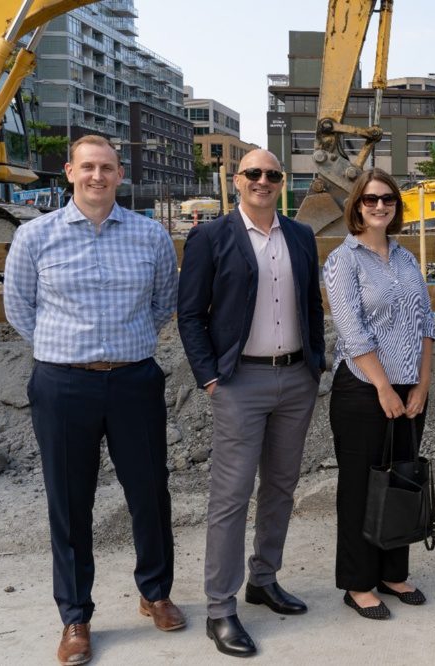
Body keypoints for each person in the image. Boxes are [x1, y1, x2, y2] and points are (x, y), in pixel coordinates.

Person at [4, 135, 184, 666]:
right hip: (63, 385)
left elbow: (162, 303)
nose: (97, 176)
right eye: (87, 167)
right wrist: (66, 349)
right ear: (69, 172)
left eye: (106, 167)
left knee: (150, 492)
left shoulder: (150, 236)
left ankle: (155, 592)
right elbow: (19, 308)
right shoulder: (36, 237)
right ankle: (75, 616)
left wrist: (124, 347)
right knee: (69, 499)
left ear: (119, 174)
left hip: (133, 380)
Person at [177, 149, 325, 656]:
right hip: (239, 382)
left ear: (282, 183)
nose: (263, 181)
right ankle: (220, 607)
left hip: (294, 380)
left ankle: (263, 579)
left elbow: (310, 305)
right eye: (254, 173)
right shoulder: (211, 236)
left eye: (272, 175)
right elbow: (190, 314)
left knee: (282, 487)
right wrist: (210, 378)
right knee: (231, 497)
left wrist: (316, 363)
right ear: (237, 180)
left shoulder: (301, 236)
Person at [324, 168, 435, 620]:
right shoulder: (342, 260)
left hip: (411, 387)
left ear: (396, 205)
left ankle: (393, 571)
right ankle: (358, 582)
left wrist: (423, 383)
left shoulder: (406, 258)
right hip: (363, 388)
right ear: (357, 205)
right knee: (360, 486)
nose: (379, 206)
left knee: (401, 480)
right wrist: (384, 387)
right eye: (370, 200)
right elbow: (352, 331)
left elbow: (427, 324)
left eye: (387, 199)